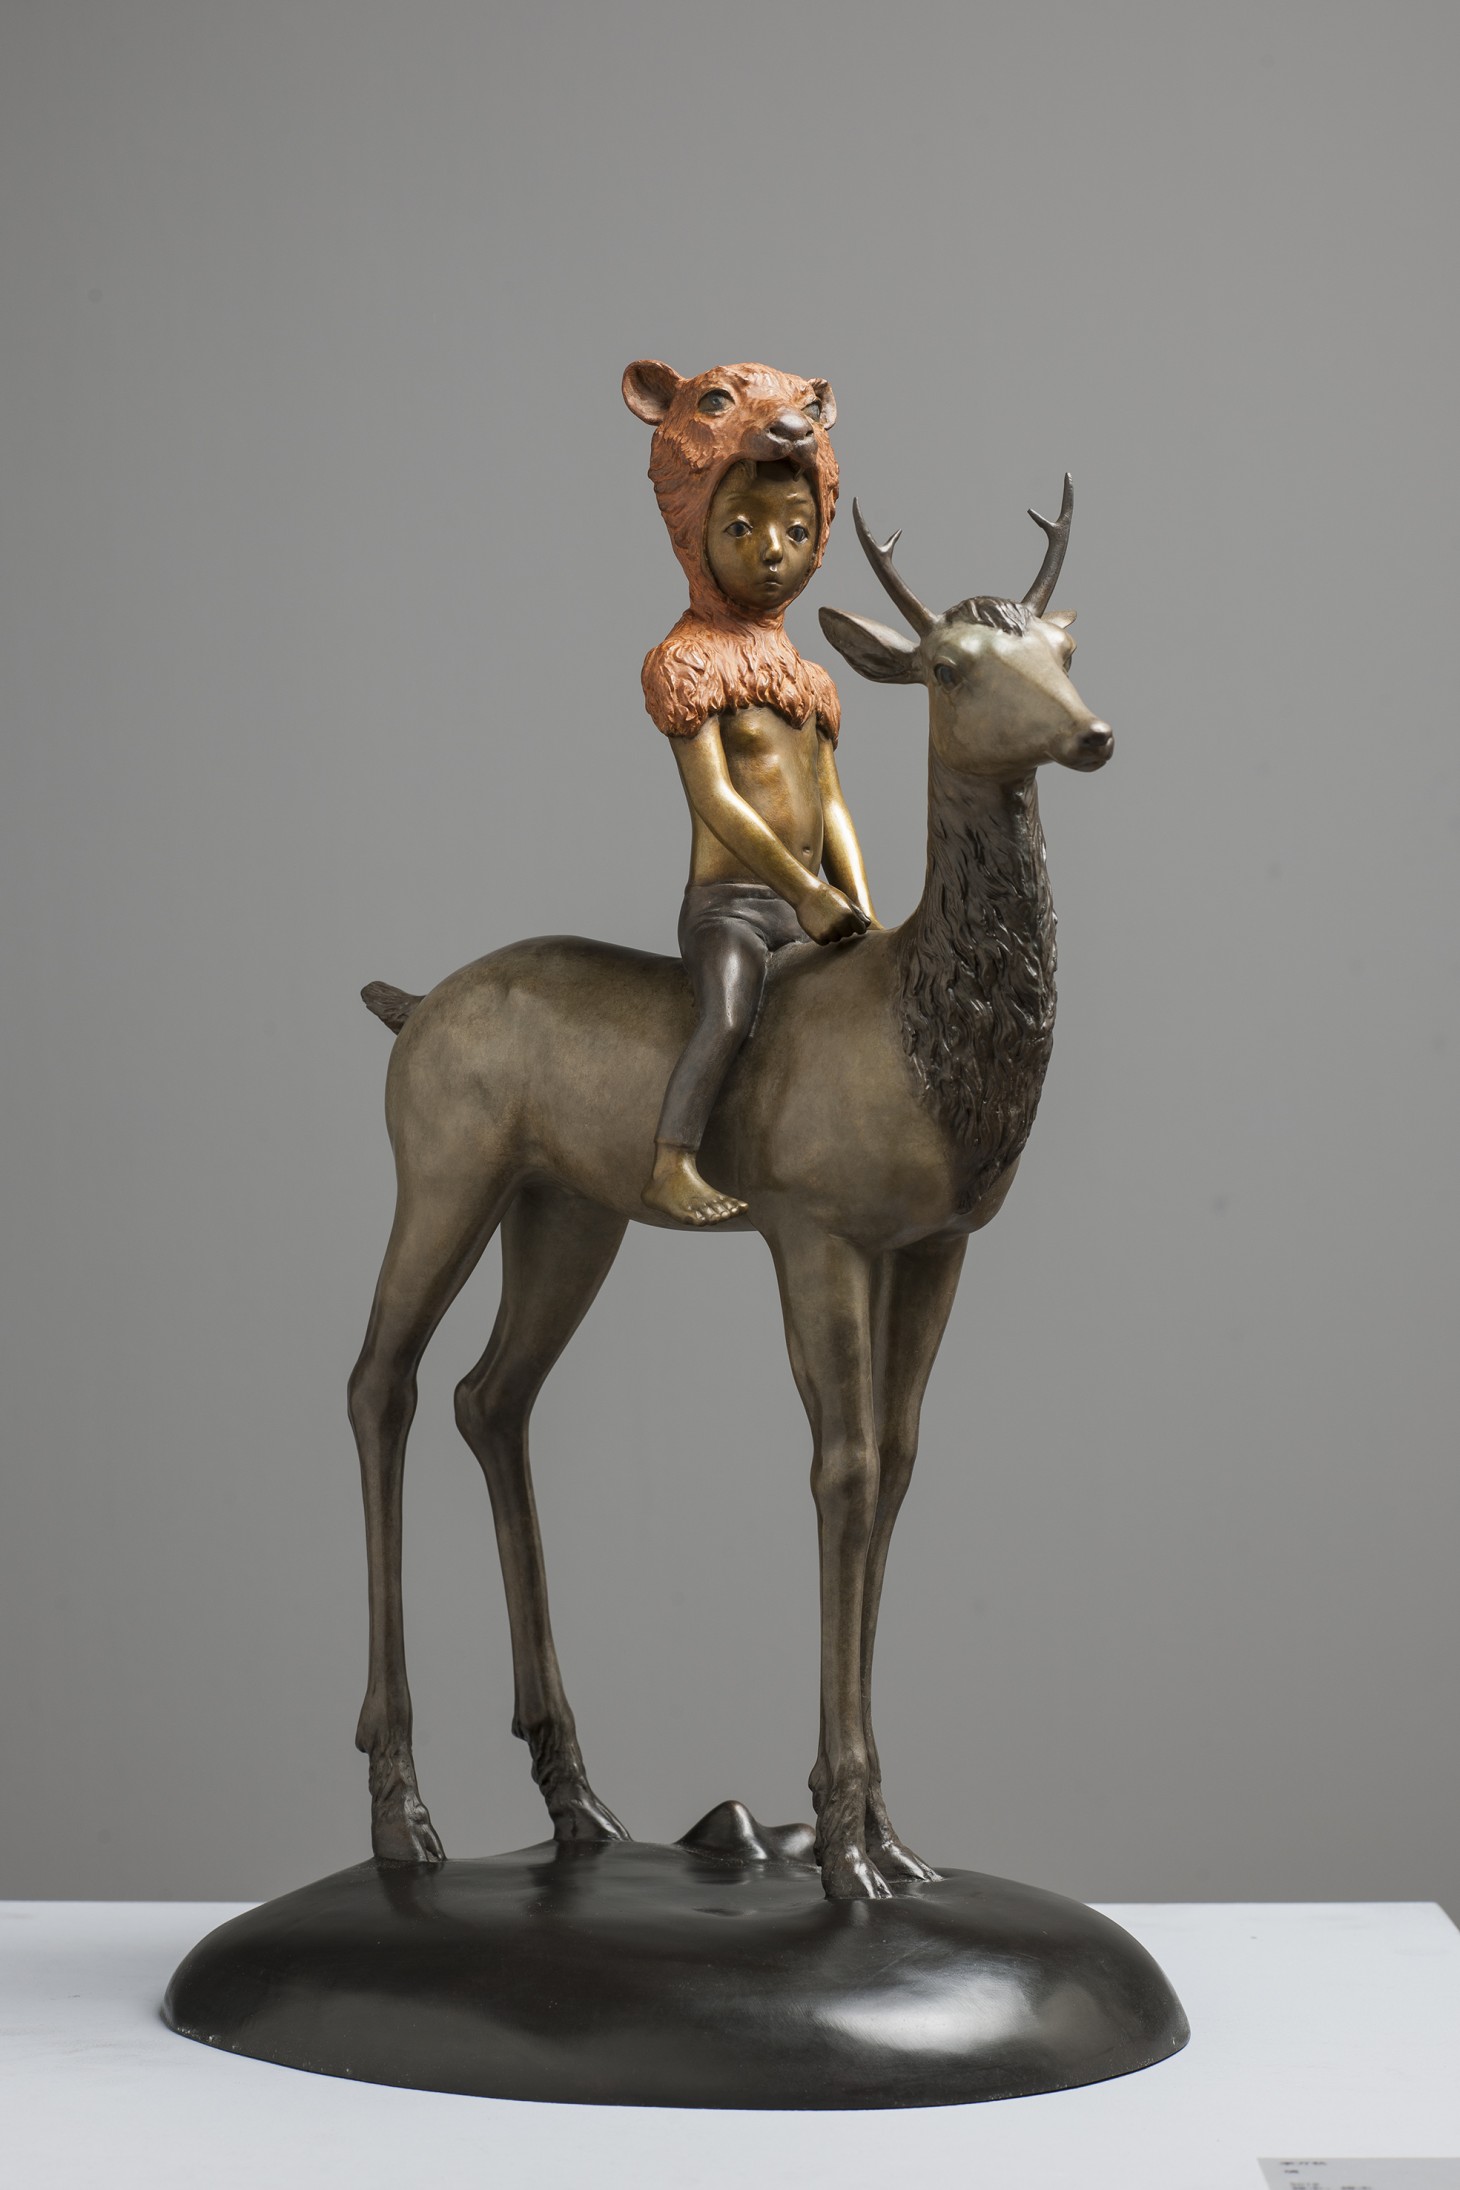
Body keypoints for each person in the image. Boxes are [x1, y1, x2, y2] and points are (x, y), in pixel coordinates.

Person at [621, 358, 877, 1225]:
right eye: (741, 528)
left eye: (796, 532)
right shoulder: (688, 659)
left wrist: (861, 907)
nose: (773, 551)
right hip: (733, 908)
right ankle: (672, 1159)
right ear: (697, 532)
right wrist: (804, 892)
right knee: (730, 1014)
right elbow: (718, 803)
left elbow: (830, 802)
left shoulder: (808, 677)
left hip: (812, 907)